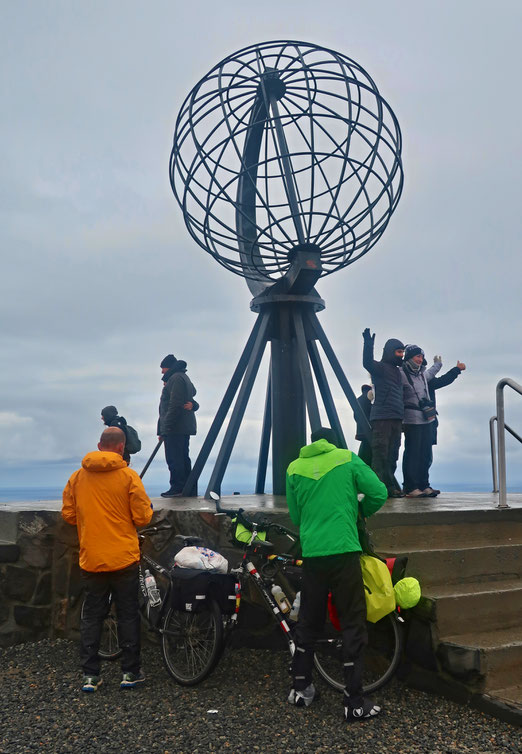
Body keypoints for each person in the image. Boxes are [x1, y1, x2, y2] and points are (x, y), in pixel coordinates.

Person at [286, 427, 388, 722]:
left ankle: (301, 690)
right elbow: (379, 492)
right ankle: (353, 701)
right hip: (344, 551)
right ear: (332, 442)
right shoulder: (347, 458)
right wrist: (358, 509)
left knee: (308, 621)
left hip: (314, 555)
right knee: (353, 622)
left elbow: (296, 516)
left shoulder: (294, 467)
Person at [62, 427, 153, 692]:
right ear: (121, 447)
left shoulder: (78, 477)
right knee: (127, 615)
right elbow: (142, 518)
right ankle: (130, 673)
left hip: (92, 558)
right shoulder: (128, 476)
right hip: (124, 558)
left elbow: (68, 514)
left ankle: (91, 676)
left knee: (92, 616)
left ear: (99, 446)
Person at [362, 328, 405, 498]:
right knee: (380, 454)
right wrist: (368, 345)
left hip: (396, 417)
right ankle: (377, 489)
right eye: (398, 351)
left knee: (393, 454)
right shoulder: (380, 368)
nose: (401, 355)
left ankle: (389, 486)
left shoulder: (397, 371)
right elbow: (367, 363)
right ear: (389, 352)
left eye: (402, 352)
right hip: (382, 418)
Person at [401, 345, 442, 497]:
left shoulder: (422, 375)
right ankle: (411, 487)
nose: (419, 360)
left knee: (425, 453)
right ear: (409, 358)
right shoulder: (400, 374)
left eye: (421, 357)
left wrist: (438, 364)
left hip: (427, 419)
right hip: (411, 419)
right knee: (413, 453)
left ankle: (424, 485)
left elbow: (432, 372)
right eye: (416, 356)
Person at [158, 354, 198, 497]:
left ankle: (178, 488)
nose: (162, 372)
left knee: (175, 458)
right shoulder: (182, 377)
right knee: (183, 457)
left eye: (163, 369)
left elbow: (173, 405)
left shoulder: (175, 379)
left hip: (174, 427)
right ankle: (188, 488)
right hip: (181, 427)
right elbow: (192, 393)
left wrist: (166, 428)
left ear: (168, 367)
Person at [427, 359, 466, 490]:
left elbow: (442, 380)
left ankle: (421, 484)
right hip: (424, 420)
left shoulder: (422, 379)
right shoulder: (422, 380)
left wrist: (456, 370)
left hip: (428, 420)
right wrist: (456, 369)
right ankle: (418, 485)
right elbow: (442, 381)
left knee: (424, 456)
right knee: (422, 456)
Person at [354, 384, 373, 466]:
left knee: (363, 463)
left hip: (364, 433)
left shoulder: (359, 399)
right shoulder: (372, 397)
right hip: (374, 433)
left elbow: (356, 416)